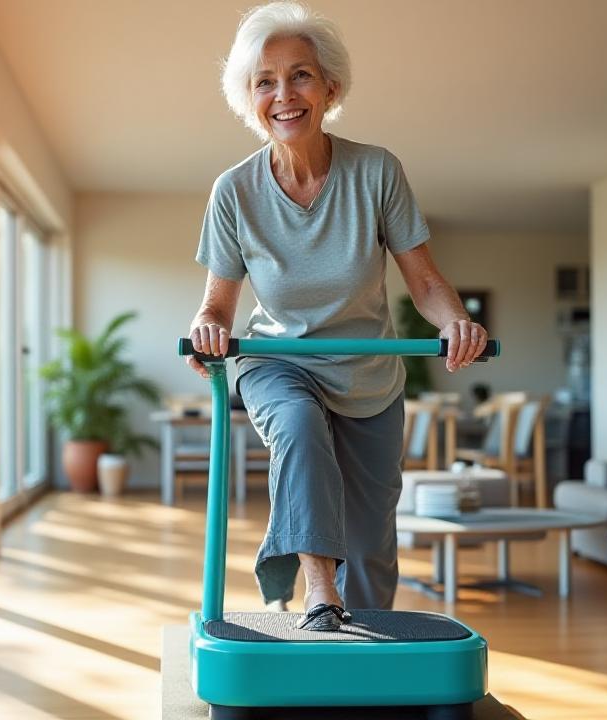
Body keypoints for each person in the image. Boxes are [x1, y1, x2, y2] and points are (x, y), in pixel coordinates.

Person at [186, 1, 488, 631]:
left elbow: (425, 281)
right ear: (249, 98)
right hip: (279, 360)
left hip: (369, 373)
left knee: (372, 538)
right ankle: (319, 592)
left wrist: (455, 321)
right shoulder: (234, 191)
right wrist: (208, 329)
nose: (283, 94)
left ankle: (367, 644)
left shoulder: (376, 171)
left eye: (300, 75)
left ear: (331, 87)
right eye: (264, 82)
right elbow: (218, 303)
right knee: (296, 427)